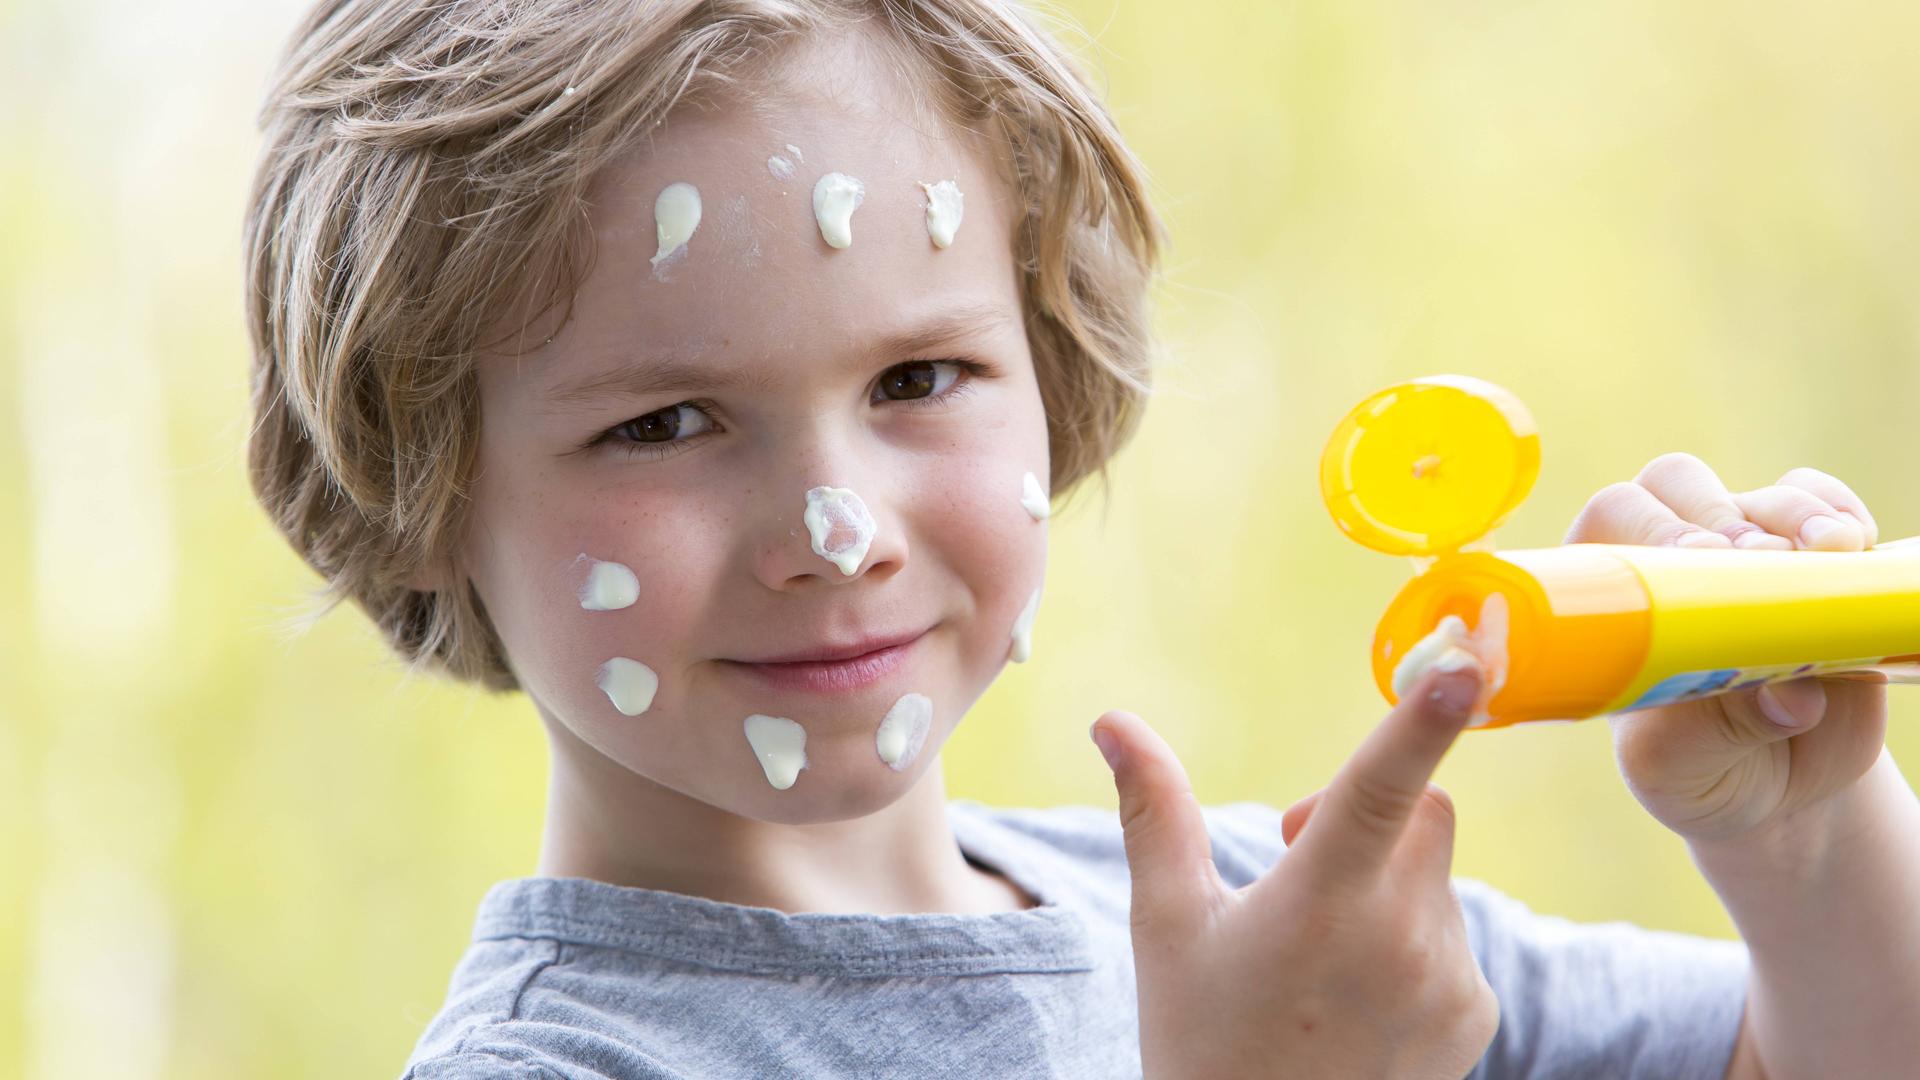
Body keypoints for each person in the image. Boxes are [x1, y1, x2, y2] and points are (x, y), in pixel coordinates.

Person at [240, 1, 1920, 1076]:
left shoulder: (1253, 928)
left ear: (1049, 370)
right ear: (421, 491)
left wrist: (1808, 846)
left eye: (919, 374)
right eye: (664, 423)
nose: (836, 532)